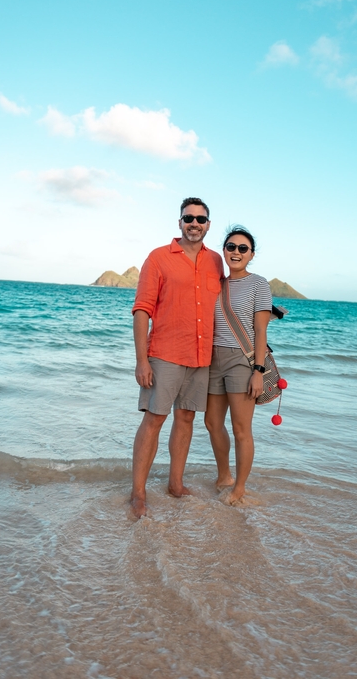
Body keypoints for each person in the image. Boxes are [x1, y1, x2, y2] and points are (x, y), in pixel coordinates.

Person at [130, 197, 224, 518]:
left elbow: (224, 305)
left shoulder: (215, 262)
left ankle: (175, 484)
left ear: (208, 225)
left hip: (201, 357)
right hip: (165, 354)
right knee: (154, 419)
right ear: (180, 222)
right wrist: (142, 360)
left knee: (186, 418)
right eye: (188, 218)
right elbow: (142, 310)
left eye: (200, 219)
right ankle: (138, 494)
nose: (194, 224)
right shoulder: (158, 258)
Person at [204, 227, 272, 505]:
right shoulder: (215, 282)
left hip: (242, 361)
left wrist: (258, 371)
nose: (236, 252)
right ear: (224, 250)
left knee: (241, 429)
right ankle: (224, 476)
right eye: (231, 247)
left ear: (251, 254)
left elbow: (260, 330)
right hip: (211, 359)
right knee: (211, 423)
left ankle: (239, 488)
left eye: (243, 248)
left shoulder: (259, 284)